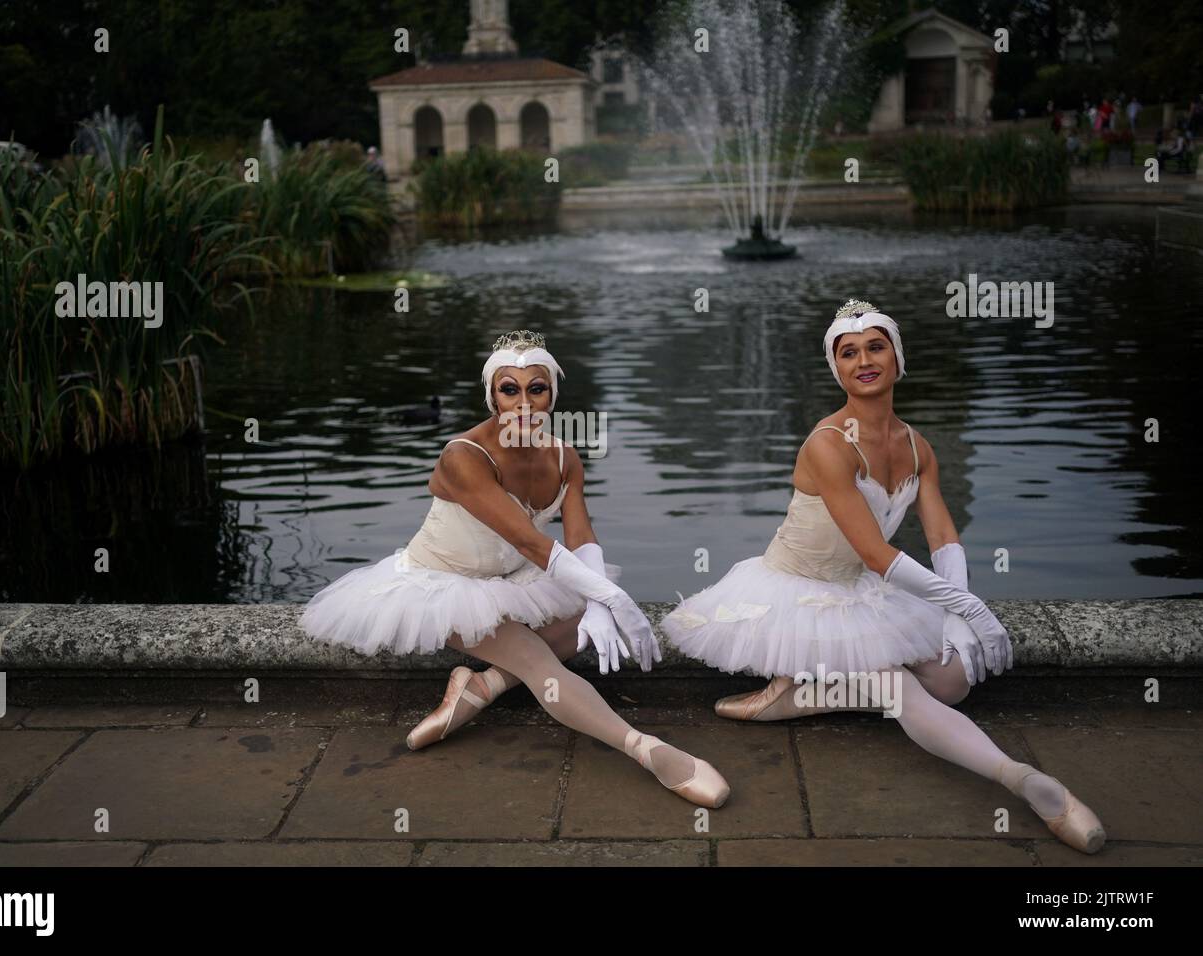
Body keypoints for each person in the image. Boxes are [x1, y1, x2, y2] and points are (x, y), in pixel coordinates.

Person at [659, 300, 1106, 854]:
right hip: (800, 596)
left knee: (953, 683)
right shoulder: (828, 445)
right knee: (898, 688)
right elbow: (875, 553)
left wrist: (960, 607)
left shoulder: (918, 446)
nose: (864, 360)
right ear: (837, 368)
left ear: (897, 357)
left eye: (876, 346)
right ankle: (1026, 781)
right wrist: (968, 611)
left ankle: (811, 693)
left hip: (864, 590)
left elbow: (942, 536)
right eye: (849, 353)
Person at [301, 330, 730, 808]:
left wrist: (600, 600)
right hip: (445, 584)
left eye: (536, 389)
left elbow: (580, 538)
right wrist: (610, 597)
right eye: (510, 389)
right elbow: (529, 540)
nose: (524, 403)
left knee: (581, 626)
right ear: (491, 395)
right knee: (538, 660)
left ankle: (482, 684)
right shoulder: (463, 456)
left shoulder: (564, 456)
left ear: (553, 394)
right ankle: (648, 751)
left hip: (512, 579)